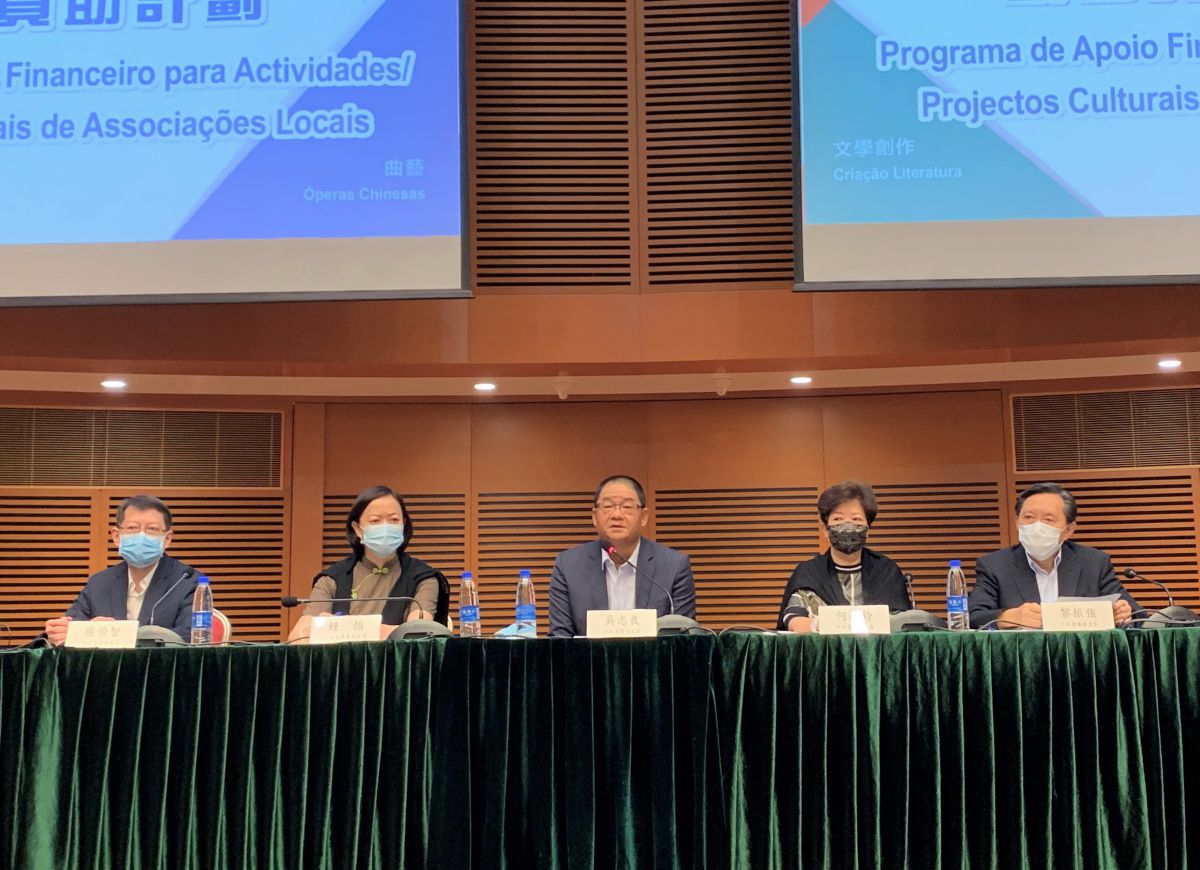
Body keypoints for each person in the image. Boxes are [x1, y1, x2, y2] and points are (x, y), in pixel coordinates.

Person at [287, 485, 450, 643]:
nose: (385, 526)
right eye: (375, 521)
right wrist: (384, 631)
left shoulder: (423, 578)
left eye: (394, 520)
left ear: (404, 524)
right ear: (358, 529)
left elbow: (416, 636)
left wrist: (339, 628)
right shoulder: (331, 579)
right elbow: (298, 638)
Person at [969, 482, 1138, 629]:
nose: (1037, 526)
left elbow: (1138, 615)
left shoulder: (1094, 563)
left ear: (1068, 530)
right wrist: (1006, 617)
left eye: (1048, 519)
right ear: (1017, 523)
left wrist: (1123, 614)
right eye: (1028, 517)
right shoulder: (995, 566)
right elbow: (972, 617)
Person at [548, 474, 696, 637]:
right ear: (594, 517)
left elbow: (683, 638)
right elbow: (560, 639)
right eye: (608, 506)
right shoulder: (568, 567)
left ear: (644, 517)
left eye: (627, 507)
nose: (616, 515)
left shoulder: (674, 566)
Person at [44, 495, 198, 645]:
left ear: (167, 539)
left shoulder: (187, 581)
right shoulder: (99, 583)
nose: (141, 536)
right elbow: (70, 628)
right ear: (116, 536)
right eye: (132, 528)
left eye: (152, 529)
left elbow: (191, 636)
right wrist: (58, 632)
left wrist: (115, 633)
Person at [776, 480, 911, 632]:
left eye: (856, 519)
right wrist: (819, 625)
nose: (847, 525)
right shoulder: (808, 573)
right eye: (838, 519)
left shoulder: (886, 571)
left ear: (867, 529)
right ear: (825, 529)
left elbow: (902, 624)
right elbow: (793, 620)